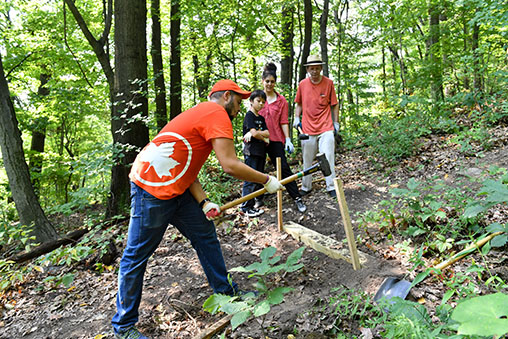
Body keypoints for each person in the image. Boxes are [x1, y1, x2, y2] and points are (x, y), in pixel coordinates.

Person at [111, 79, 284, 339]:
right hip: (151, 188)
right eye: (238, 101)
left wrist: (203, 202)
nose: (239, 108)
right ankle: (123, 327)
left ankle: (226, 293)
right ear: (226, 96)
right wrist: (266, 179)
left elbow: (183, 162)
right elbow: (229, 164)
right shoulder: (217, 113)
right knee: (135, 255)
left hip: (175, 187)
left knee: (205, 235)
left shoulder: (200, 113)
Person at [258, 62, 307, 213]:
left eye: (272, 82)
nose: (269, 84)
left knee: (284, 169)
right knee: (257, 169)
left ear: (275, 82)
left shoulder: (281, 101)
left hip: (276, 139)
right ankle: (257, 199)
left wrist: (288, 139)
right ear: (262, 81)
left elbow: (284, 121)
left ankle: (297, 197)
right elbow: (250, 117)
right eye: (267, 81)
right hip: (259, 140)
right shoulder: (256, 98)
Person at [294, 55, 339, 198]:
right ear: (307, 69)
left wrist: (336, 122)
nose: (314, 71)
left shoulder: (328, 83)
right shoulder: (302, 84)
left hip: (326, 126)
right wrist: (296, 117)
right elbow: (299, 103)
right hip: (307, 128)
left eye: (317, 68)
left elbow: (334, 104)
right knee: (307, 159)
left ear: (321, 68)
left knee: (328, 156)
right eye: (311, 68)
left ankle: (331, 186)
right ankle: (306, 187)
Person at [240, 90, 270, 217]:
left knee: (259, 178)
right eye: (258, 101)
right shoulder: (249, 116)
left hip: (261, 152)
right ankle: (246, 207)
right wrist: (263, 138)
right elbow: (256, 134)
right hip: (251, 152)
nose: (261, 104)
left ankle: (256, 202)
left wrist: (258, 134)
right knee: (250, 179)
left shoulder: (261, 118)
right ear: (251, 101)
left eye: (263, 102)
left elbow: (267, 133)